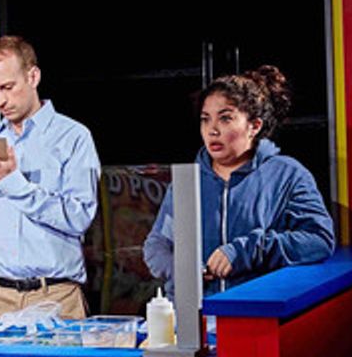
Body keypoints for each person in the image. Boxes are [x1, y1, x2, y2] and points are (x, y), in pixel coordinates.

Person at [0, 36, 100, 319]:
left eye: (7, 87)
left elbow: (79, 218)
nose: (0, 100)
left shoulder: (73, 137)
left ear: (33, 76)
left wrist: (11, 182)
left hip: (56, 296)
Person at [143, 66, 334, 293]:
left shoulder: (288, 175)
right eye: (206, 119)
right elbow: (157, 245)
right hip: (191, 317)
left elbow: (319, 240)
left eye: (225, 119)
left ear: (254, 126)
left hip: (254, 313)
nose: (212, 130)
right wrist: (185, 271)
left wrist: (246, 251)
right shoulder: (188, 180)